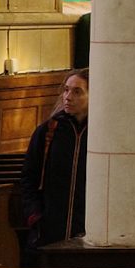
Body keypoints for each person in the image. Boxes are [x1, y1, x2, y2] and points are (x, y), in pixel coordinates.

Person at [15, 70, 89, 253]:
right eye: (66, 90)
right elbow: (28, 177)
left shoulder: (100, 134)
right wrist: (35, 216)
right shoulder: (48, 130)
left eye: (77, 92)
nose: (68, 97)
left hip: (87, 229)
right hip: (49, 230)